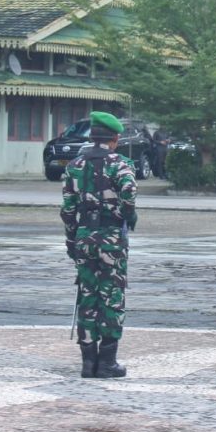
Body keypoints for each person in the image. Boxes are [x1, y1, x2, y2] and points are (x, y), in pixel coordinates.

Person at [61, 110, 138, 378]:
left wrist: (72, 240)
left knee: (87, 296)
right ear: (115, 137)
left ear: (93, 136)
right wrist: (128, 216)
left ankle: (87, 362)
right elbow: (129, 193)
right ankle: (107, 363)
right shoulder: (121, 164)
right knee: (112, 296)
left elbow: (68, 210)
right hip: (111, 239)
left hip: (84, 238)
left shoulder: (75, 166)